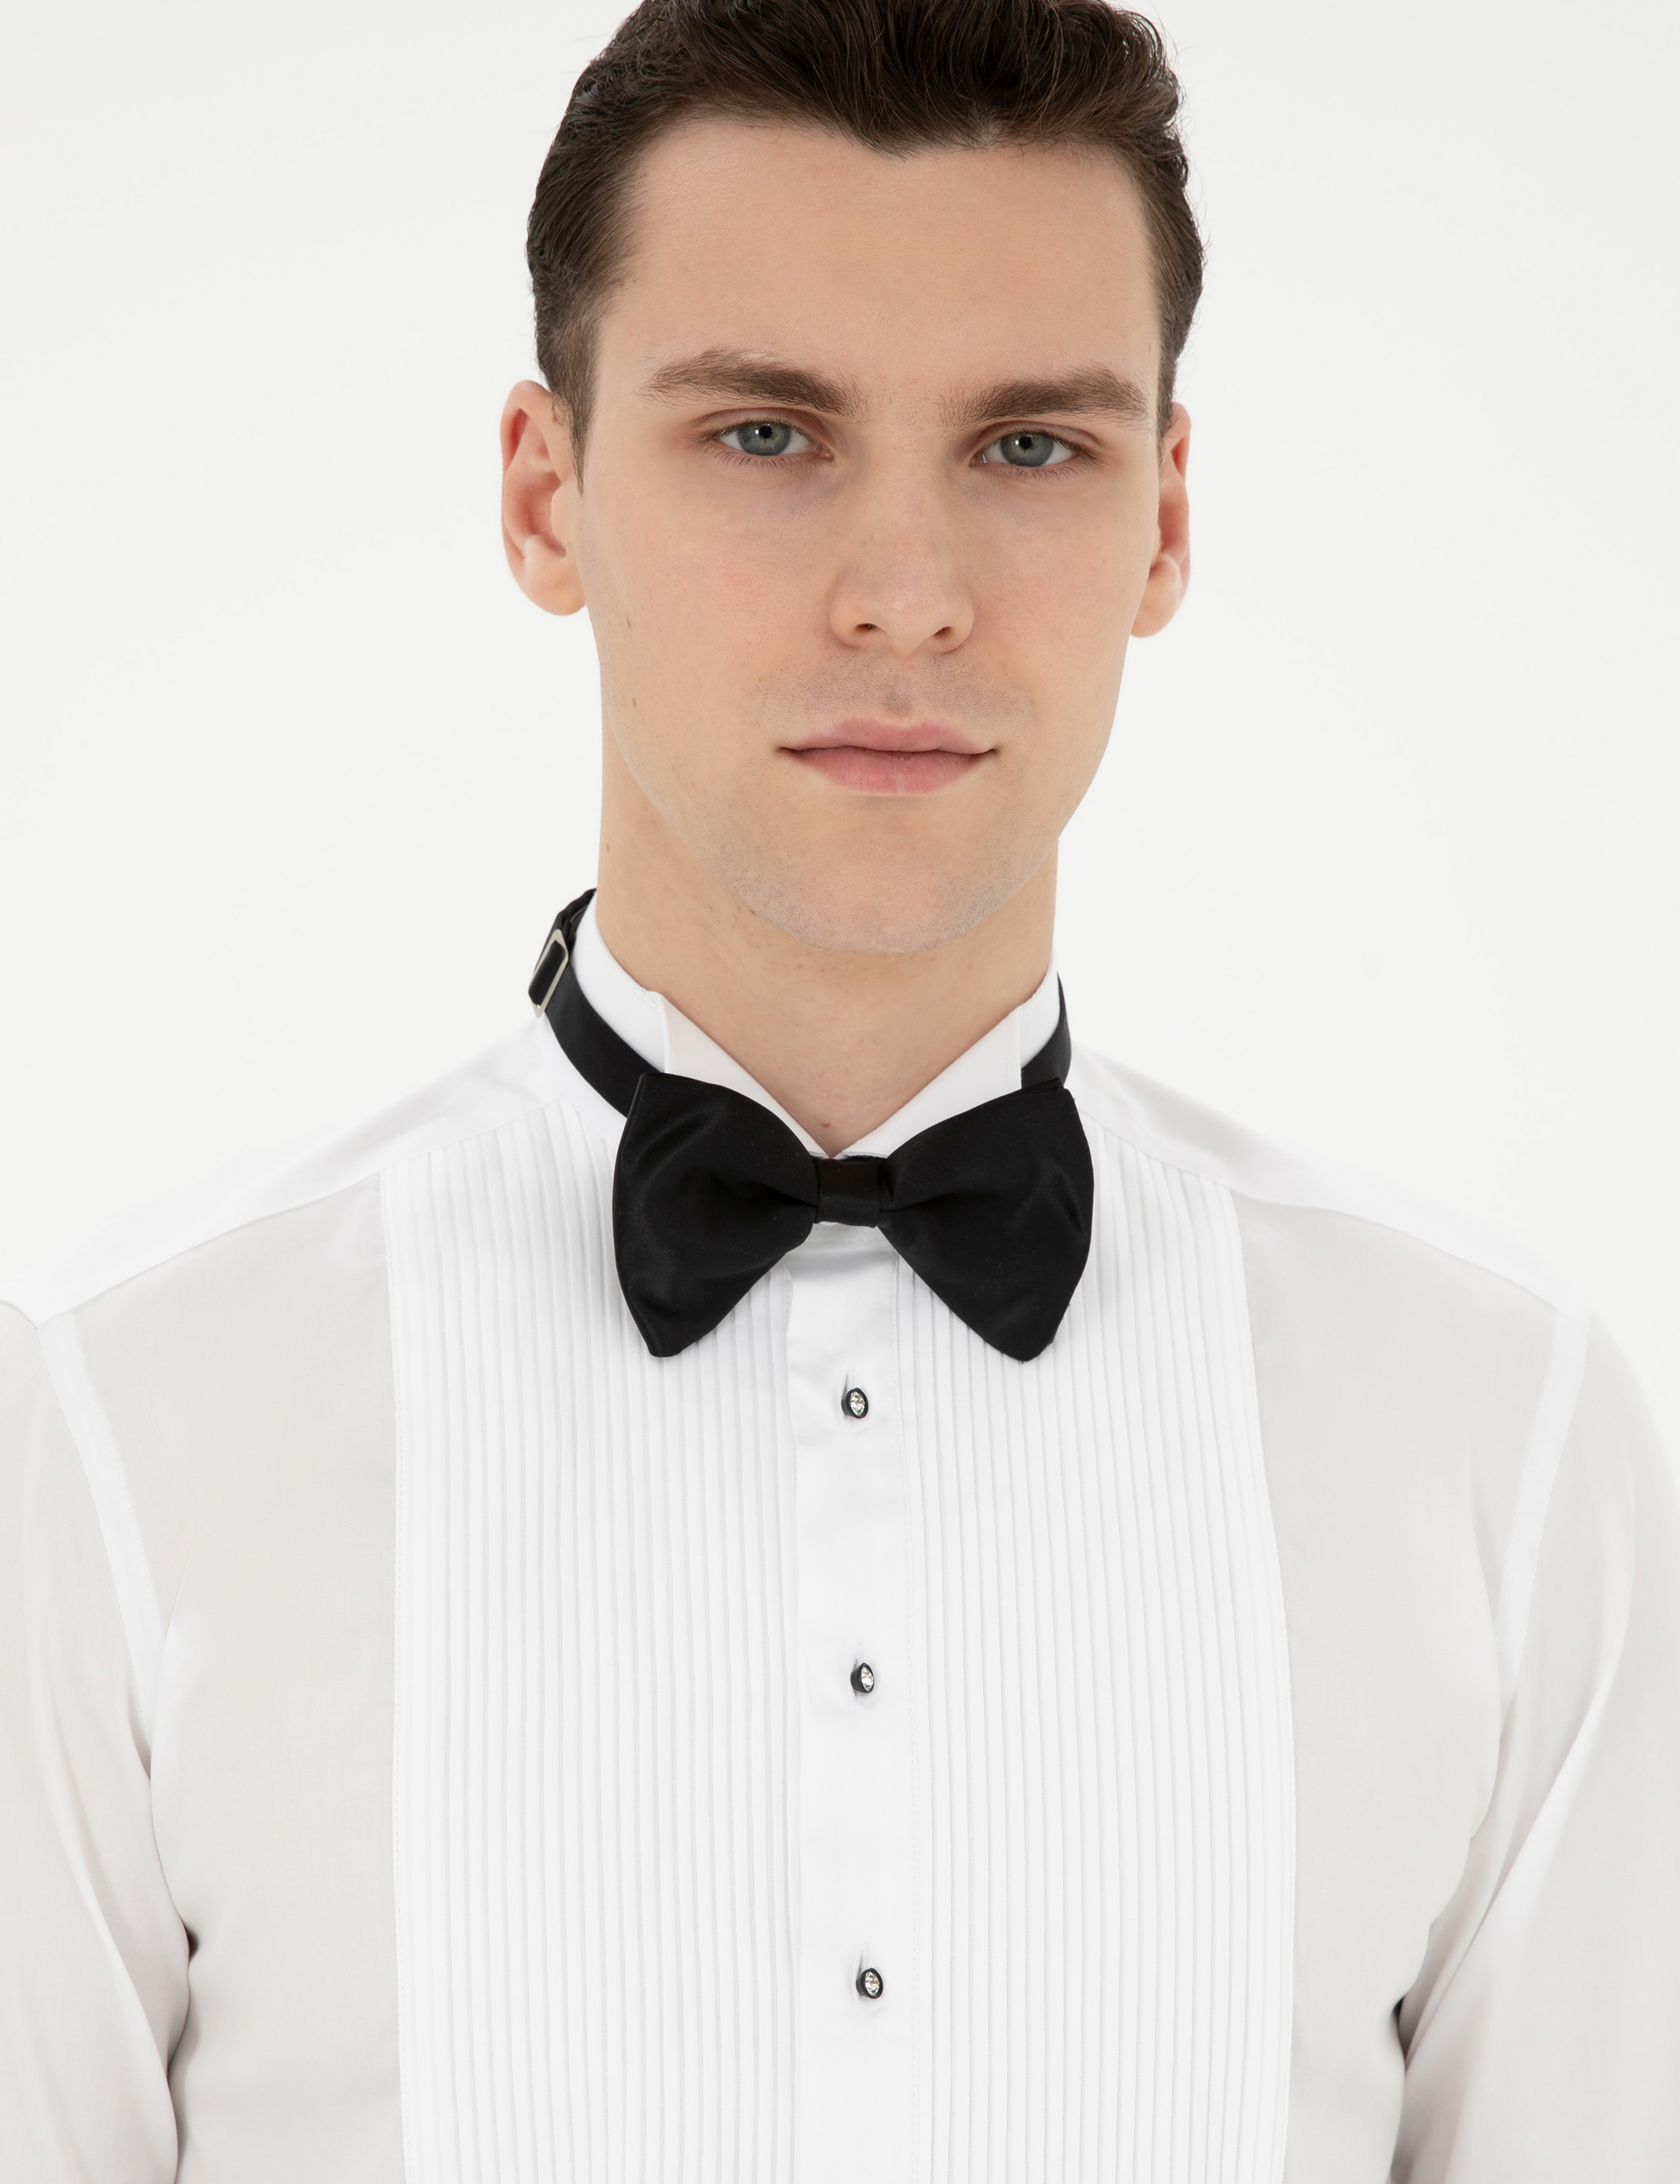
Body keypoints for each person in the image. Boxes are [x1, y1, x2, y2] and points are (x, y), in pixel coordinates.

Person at [2, 0, 1676, 2176]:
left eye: (1029, 447)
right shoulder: (111, 1430)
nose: (906, 599)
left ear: (1166, 520)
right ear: (544, 495)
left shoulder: (1497, 1435)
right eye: (767, 434)